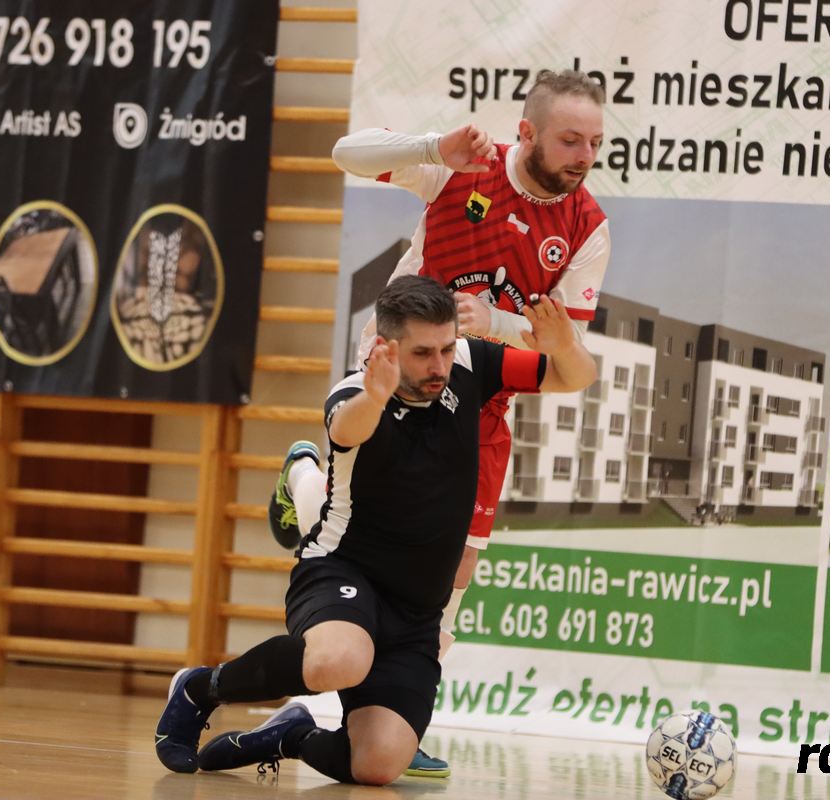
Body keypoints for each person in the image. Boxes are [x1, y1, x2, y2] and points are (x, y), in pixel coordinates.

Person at [272, 71, 610, 773]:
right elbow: (345, 154)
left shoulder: (587, 226)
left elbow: (563, 347)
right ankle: (307, 482)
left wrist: (506, 323)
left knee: (446, 599)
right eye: (570, 138)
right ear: (528, 132)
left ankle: (389, 723)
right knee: (359, 536)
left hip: (480, 409)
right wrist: (431, 145)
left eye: (595, 142)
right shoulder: (466, 167)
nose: (584, 154)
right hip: (394, 383)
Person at [154, 275, 596, 784]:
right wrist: (377, 394)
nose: (439, 366)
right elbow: (345, 430)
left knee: (379, 764)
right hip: (342, 574)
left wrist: (564, 345)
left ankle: (290, 735)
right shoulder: (354, 395)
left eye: (447, 348)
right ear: (387, 347)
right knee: (339, 661)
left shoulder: (470, 363)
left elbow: (574, 376)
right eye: (423, 353)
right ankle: (200, 689)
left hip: (416, 614)